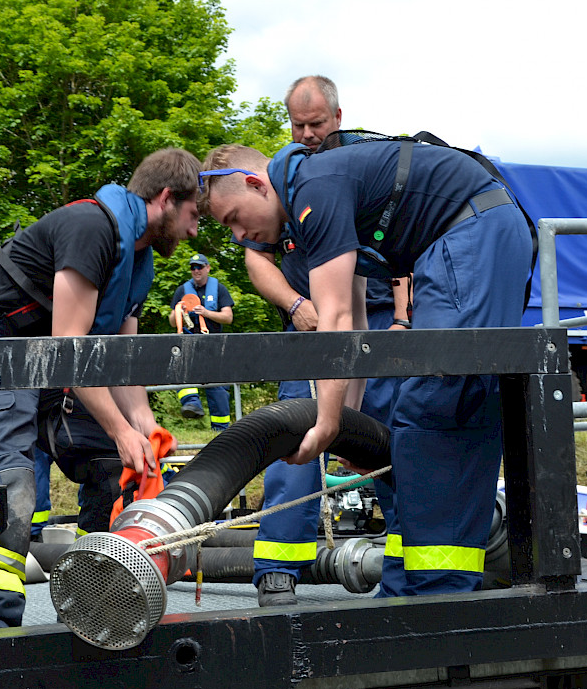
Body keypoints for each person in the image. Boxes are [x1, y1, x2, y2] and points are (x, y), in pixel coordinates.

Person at [199, 135, 533, 598]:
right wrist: (350, 426)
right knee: (423, 409)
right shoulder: (317, 191)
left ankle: (438, 591)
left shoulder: (315, 187)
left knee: (439, 403)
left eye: (233, 219)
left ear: (258, 185)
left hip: (470, 234)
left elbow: (332, 319)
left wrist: (330, 423)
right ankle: (408, 584)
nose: (238, 236)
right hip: (465, 237)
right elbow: (353, 320)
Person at [0, 147, 200, 627]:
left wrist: (143, 426)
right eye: (194, 214)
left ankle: (104, 596)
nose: (195, 230)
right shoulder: (91, 228)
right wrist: (120, 428)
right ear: (166, 198)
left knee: (114, 465)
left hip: (40, 354)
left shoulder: (140, 262)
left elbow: (120, 360)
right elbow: (69, 350)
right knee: (6, 479)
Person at [240, 76, 409, 606]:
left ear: (338, 117)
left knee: (391, 443)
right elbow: (255, 256)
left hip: (377, 324)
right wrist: (295, 304)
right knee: (294, 435)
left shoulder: (364, 160)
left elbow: (403, 252)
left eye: (317, 124)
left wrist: (403, 319)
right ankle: (278, 569)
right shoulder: (282, 178)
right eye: (298, 125)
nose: (308, 134)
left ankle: (407, 572)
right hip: (313, 326)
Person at [167, 252, 234, 430]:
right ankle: (192, 405)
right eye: (193, 267)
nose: (196, 270)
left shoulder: (219, 289)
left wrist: (206, 313)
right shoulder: (182, 290)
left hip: (214, 345)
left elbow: (228, 317)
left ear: (207, 268)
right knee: (181, 373)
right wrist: (179, 312)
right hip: (189, 343)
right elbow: (172, 321)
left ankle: (221, 430)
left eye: (200, 267)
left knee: (218, 386)